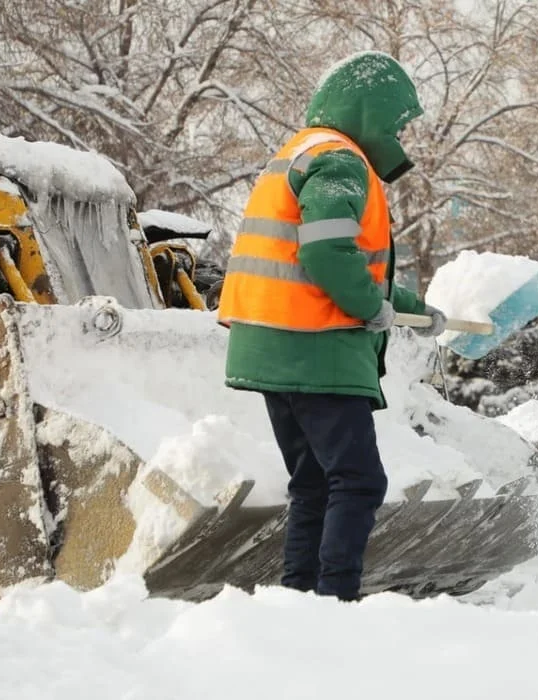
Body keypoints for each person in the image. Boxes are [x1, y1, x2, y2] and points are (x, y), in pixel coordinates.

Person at [216, 51, 447, 600]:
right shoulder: (341, 160)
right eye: (397, 122)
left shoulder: (298, 153)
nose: (398, 134)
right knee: (359, 480)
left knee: (313, 484)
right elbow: (325, 253)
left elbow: (342, 261)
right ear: (370, 111)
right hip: (314, 348)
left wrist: (410, 307)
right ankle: (336, 600)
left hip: (268, 347)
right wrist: (370, 310)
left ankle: (300, 600)